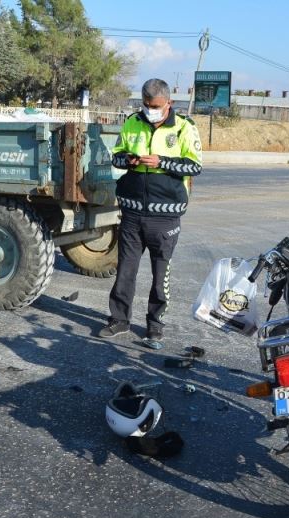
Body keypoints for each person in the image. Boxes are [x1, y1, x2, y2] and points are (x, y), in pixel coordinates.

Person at [99, 78, 203, 346]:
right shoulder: (133, 122)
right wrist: (129, 160)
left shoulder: (184, 127)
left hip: (165, 215)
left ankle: (155, 326)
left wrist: (162, 162)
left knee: (160, 276)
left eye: (154, 105)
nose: (149, 110)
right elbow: (116, 157)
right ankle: (119, 320)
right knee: (125, 271)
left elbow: (194, 166)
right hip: (132, 212)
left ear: (168, 103)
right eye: (145, 105)